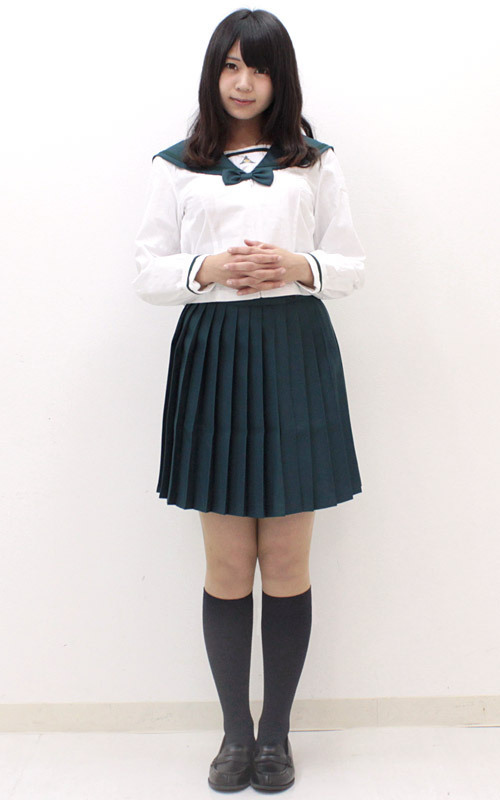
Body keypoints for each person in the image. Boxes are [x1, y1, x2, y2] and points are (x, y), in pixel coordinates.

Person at [133, 7, 366, 793]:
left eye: (258, 67)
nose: (243, 82)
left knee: (287, 560)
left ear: (279, 77)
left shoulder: (315, 163)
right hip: (216, 356)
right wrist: (207, 270)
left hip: (296, 351)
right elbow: (146, 271)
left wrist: (299, 265)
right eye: (231, 66)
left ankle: (276, 736)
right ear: (214, 73)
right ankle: (235, 733)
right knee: (229, 563)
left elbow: (353, 265)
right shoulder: (177, 166)